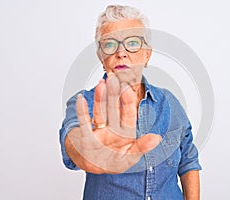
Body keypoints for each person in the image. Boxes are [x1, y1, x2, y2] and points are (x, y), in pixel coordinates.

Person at [59, 4, 202, 200]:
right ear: (101, 57)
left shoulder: (169, 103)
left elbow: (188, 161)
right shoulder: (83, 103)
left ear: (147, 54)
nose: (121, 52)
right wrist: (84, 151)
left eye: (132, 43)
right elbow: (72, 139)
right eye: (110, 44)